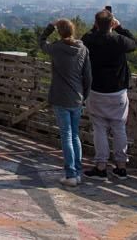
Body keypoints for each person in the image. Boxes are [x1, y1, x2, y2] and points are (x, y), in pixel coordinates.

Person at [81, 7, 137, 178]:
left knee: (99, 129)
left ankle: (101, 165)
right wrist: (119, 27)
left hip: (96, 90)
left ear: (96, 24)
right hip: (117, 91)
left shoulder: (89, 40)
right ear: (111, 23)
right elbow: (134, 43)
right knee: (119, 127)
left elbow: (86, 37)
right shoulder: (119, 40)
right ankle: (121, 166)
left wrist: (96, 27)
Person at [38, 18, 92, 187]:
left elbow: (41, 42)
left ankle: (70, 174)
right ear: (73, 31)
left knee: (66, 136)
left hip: (60, 97)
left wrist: (49, 27)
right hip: (77, 97)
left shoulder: (56, 48)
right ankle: (77, 172)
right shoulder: (83, 49)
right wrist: (85, 95)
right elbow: (88, 76)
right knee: (75, 135)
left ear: (59, 32)